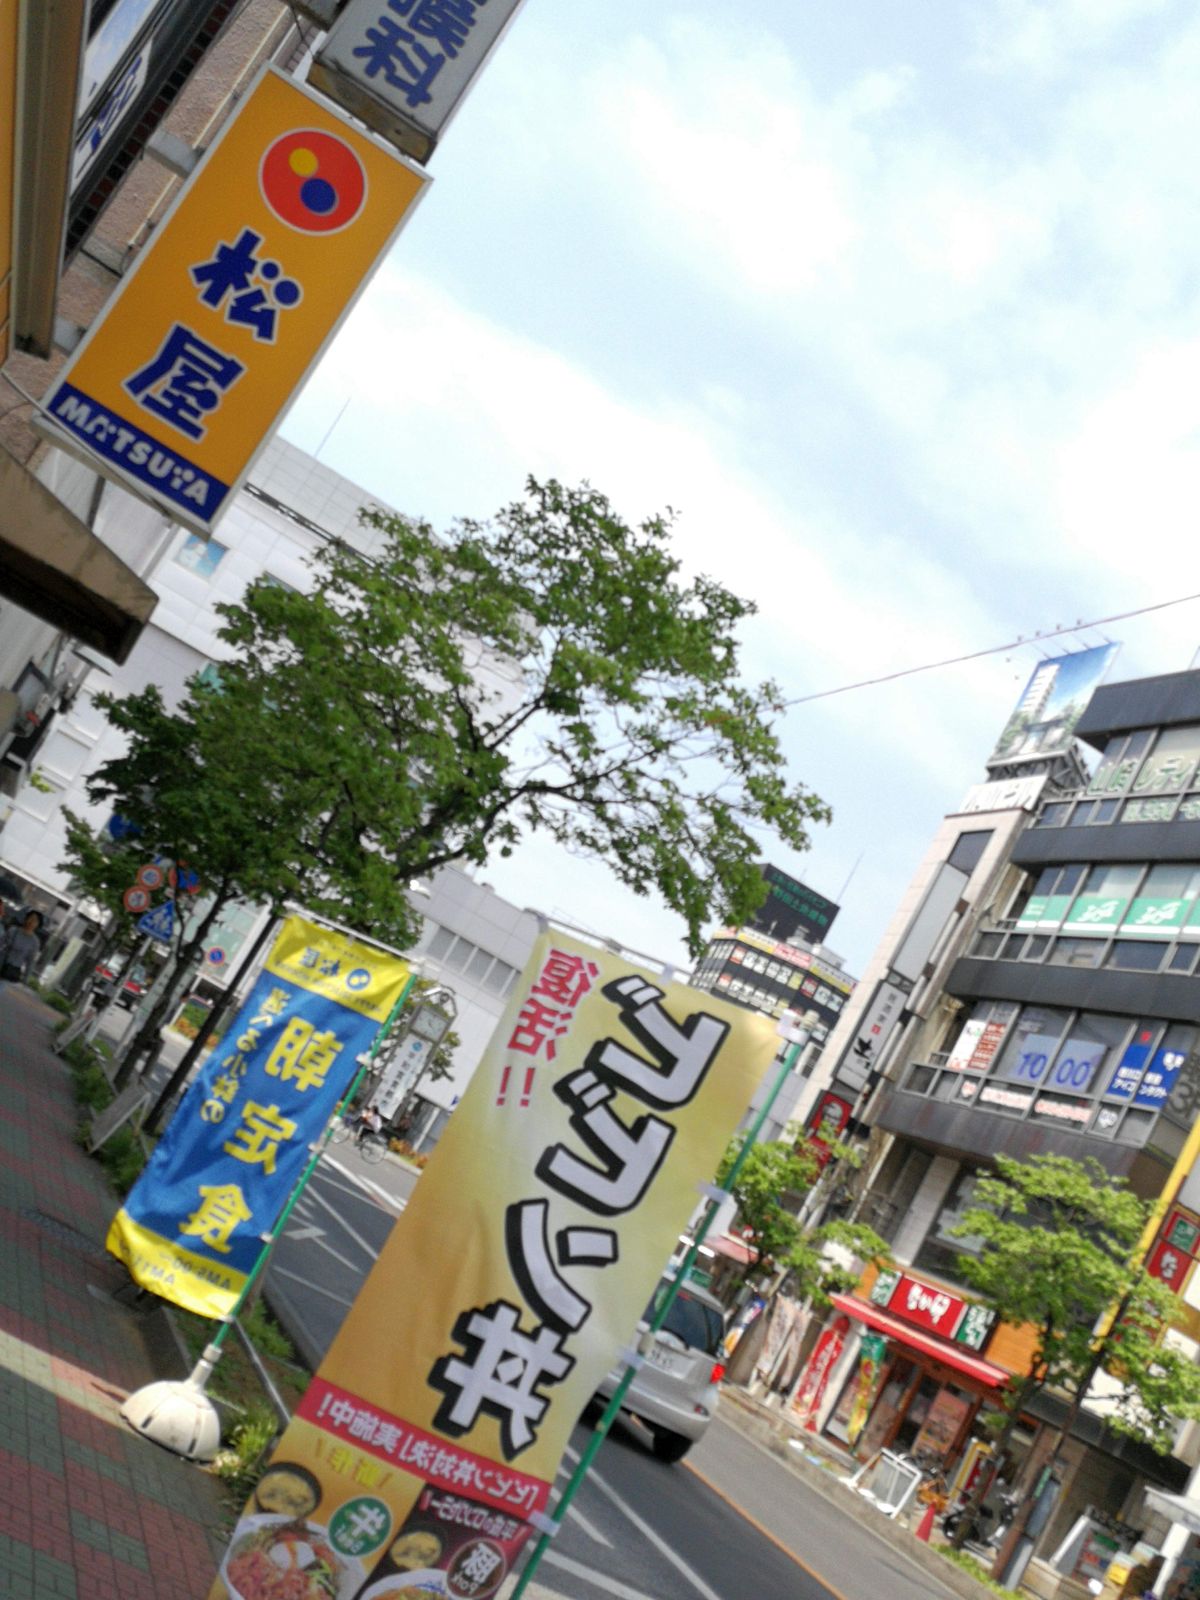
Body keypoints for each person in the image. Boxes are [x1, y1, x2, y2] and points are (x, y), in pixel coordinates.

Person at [0, 909, 43, 989]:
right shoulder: (13, 930)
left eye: (35, 921)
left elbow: (30, 961)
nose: (32, 922)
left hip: (10, 972)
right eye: (30, 918)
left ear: (38, 924)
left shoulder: (35, 942)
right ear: (26, 918)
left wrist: (25, 978)